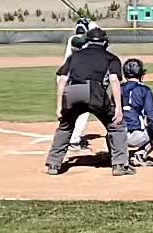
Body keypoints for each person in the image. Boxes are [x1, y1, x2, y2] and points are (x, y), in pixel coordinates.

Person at [46, 27, 133, 176]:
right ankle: (119, 165)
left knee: (65, 127)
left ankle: (53, 164)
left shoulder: (74, 56)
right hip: (94, 91)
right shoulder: (111, 58)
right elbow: (114, 81)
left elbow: (63, 80)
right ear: (105, 42)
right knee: (116, 126)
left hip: (71, 92)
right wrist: (118, 107)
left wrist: (60, 106)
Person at [62, 18, 99, 150]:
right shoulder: (75, 40)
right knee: (82, 111)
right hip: (72, 78)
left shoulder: (80, 40)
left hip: (69, 78)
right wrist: (93, 27)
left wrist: (91, 27)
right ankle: (73, 140)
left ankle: (68, 137)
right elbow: (87, 40)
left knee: (73, 110)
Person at [121, 58, 153, 167]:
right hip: (137, 136)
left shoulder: (118, 89)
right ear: (140, 73)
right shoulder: (144, 90)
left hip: (117, 136)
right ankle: (139, 156)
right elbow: (151, 117)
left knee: (111, 131)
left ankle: (117, 156)